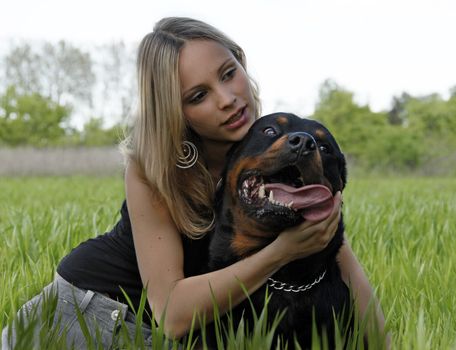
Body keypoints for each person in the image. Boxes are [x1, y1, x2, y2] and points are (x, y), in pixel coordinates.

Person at [2, 17, 387, 349]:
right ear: (176, 109)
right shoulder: (155, 166)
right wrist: (280, 253)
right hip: (88, 311)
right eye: (199, 95)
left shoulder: (270, 147)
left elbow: (341, 258)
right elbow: (172, 315)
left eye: (228, 73)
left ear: (240, 61)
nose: (227, 99)